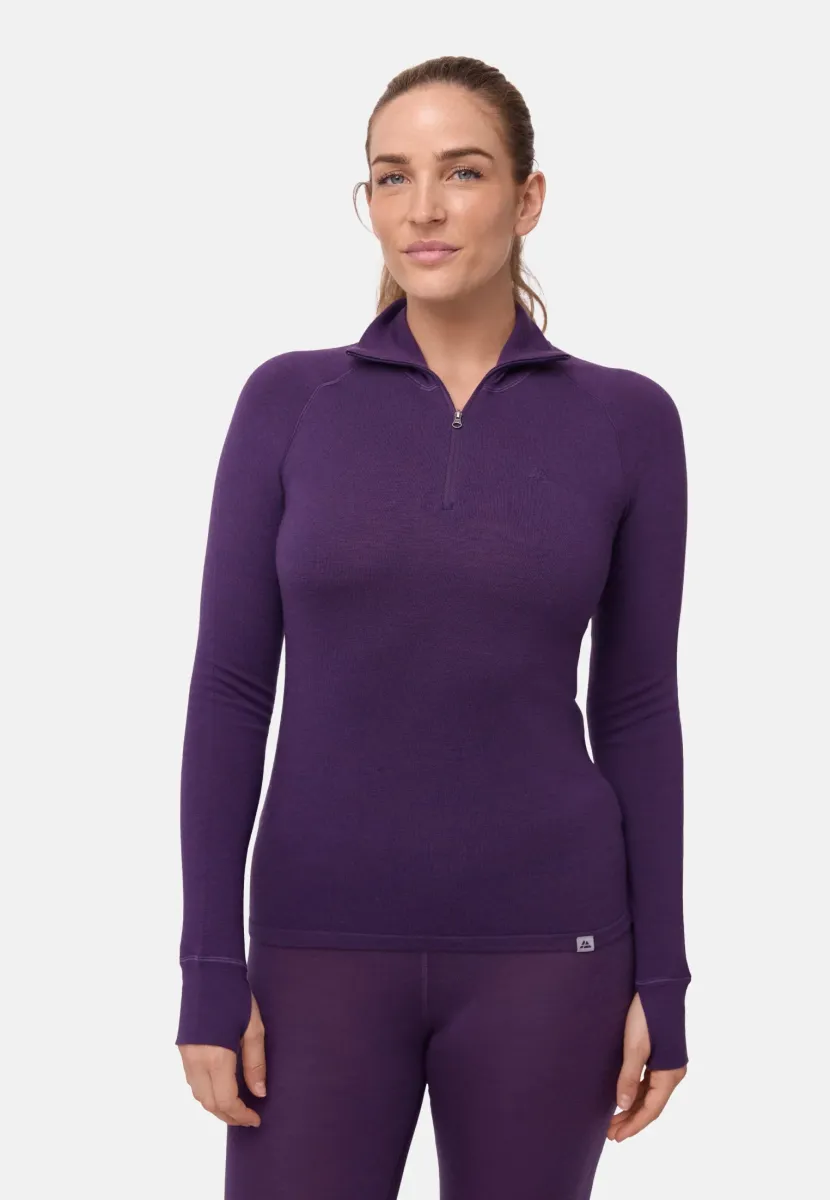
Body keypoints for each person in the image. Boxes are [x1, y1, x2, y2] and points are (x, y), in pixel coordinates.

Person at [175, 54, 692, 1200]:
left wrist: (661, 976)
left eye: (461, 172)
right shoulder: (289, 403)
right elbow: (229, 689)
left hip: (550, 952)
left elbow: (636, 708)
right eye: (390, 176)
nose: (422, 207)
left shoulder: (625, 421)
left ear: (525, 197)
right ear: (366, 200)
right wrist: (209, 962)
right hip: (313, 948)